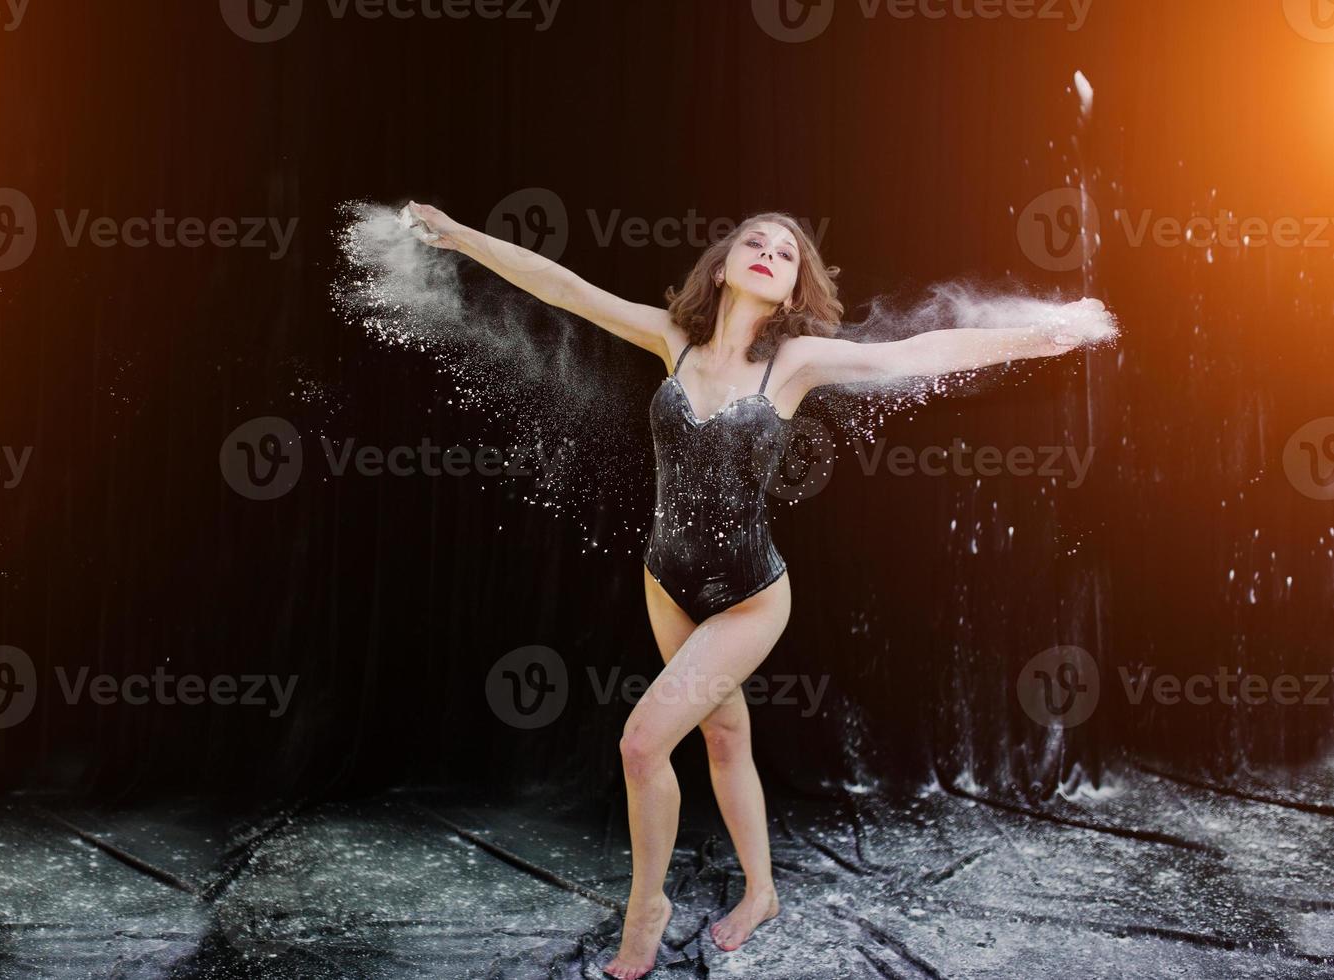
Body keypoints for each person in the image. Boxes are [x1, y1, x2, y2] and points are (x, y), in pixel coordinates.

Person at [403, 201, 1114, 979]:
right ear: (722, 264)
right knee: (723, 736)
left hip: (747, 594)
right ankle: (763, 892)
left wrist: (1051, 331)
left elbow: (921, 348)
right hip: (664, 579)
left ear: (792, 288)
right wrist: (461, 236)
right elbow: (565, 288)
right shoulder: (669, 339)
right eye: (755, 241)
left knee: (642, 744)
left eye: (787, 251)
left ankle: (646, 910)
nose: (771, 252)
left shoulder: (797, 362)